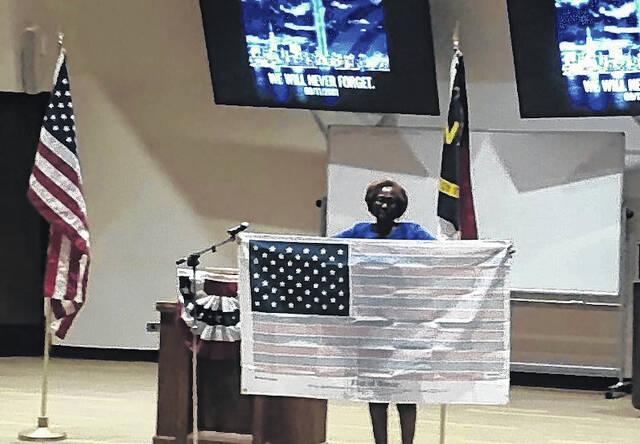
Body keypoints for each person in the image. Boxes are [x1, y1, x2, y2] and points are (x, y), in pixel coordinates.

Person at [334, 179, 435, 444]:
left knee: (406, 395)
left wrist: (492, 254)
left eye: (390, 201)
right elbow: (323, 251)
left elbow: (448, 255)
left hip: (407, 327)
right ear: (370, 203)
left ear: (400, 206)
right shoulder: (358, 232)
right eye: (379, 199)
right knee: (376, 395)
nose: (384, 204)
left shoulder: (413, 233)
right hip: (369, 327)